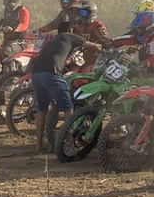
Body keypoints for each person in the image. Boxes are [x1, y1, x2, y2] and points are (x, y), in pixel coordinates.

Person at [30, 23, 104, 151]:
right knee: (68, 109)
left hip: (36, 74)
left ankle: (39, 145)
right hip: (51, 75)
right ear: (70, 30)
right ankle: (70, 143)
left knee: (42, 110)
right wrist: (104, 47)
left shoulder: (52, 41)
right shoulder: (70, 37)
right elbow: (94, 46)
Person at [110, 3, 154, 71]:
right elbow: (127, 39)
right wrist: (109, 43)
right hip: (148, 73)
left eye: (141, 29)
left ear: (150, 26)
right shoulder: (145, 39)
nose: (140, 33)